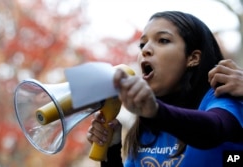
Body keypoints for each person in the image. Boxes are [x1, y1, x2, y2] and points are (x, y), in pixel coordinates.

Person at [87, 11, 243, 167]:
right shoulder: (146, 125)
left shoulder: (220, 97)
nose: (145, 50)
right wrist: (111, 150)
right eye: (142, 44)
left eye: (163, 40)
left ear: (193, 58)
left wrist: (155, 112)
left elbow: (213, 130)